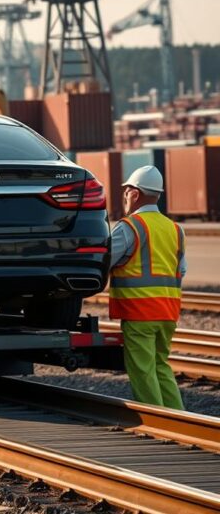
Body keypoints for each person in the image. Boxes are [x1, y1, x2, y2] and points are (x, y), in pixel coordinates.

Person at [108, 165, 186, 410]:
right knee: (160, 365)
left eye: (126, 191)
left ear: (135, 193)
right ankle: (180, 418)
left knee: (142, 370)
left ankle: (158, 421)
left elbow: (103, 261)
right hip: (168, 313)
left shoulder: (129, 227)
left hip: (139, 312)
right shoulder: (176, 229)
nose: (125, 197)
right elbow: (181, 270)